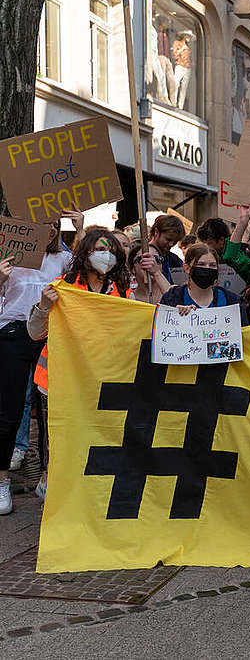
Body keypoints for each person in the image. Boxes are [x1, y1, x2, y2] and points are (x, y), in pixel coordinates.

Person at [27, 228, 136, 504]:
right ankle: (54, 495)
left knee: (95, 440)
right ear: (85, 253)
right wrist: (42, 306)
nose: (106, 256)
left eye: (111, 251)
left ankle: (87, 499)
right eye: (100, 249)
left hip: (101, 381)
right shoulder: (62, 288)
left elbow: (135, 330)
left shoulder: (122, 291)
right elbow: (35, 333)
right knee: (61, 442)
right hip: (59, 380)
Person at [0, 216, 76, 507]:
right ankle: (3, 479)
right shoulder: (9, 258)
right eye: (42, 225)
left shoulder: (63, 259)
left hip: (49, 334)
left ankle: (48, 477)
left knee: (50, 409)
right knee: (9, 409)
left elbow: (82, 279)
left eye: (54, 226)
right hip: (13, 333)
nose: (49, 231)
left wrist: (80, 230)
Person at [160, 243, 247, 322]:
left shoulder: (232, 301)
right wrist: (172, 314)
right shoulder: (171, 299)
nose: (207, 268)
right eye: (201, 264)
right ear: (187, 268)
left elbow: (242, 334)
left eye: (212, 265)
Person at [148, 214, 186, 282]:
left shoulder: (175, 260)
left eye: (175, 241)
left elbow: (182, 284)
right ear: (156, 232)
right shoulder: (141, 254)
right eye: (168, 239)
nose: (171, 244)